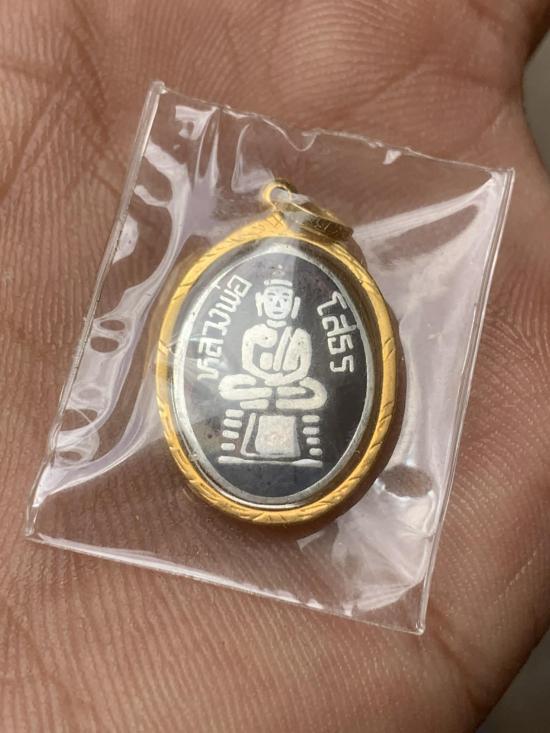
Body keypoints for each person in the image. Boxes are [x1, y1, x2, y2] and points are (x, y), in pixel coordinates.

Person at [2, 1, 550, 731]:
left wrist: (280, 380)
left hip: (290, 401)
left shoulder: (304, 322)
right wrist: (257, 380)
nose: (275, 312)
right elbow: (236, 374)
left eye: (283, 306)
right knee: (232, 383)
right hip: (246, 397)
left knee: (308, 388)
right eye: (269, 305)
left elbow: (308, 381)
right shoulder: (246, 311)